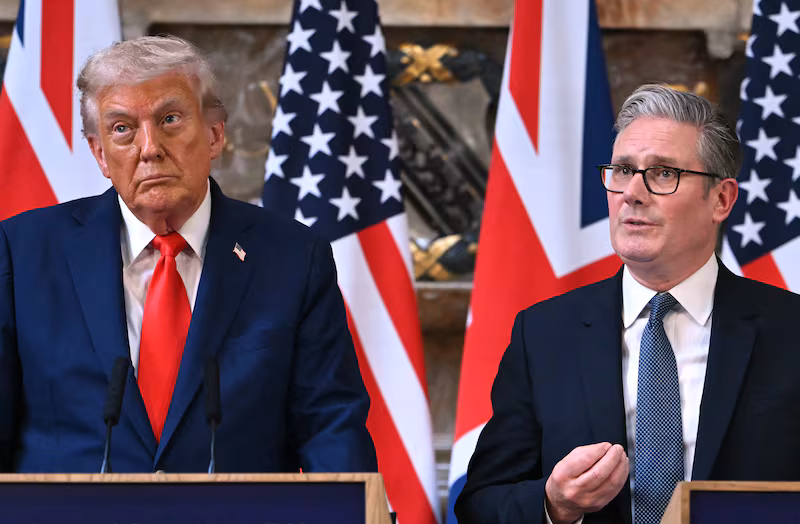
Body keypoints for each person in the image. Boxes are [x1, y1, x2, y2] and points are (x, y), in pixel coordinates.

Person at [0, 35, 377, 474]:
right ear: (100, 154)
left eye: (170, 119)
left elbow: (330, 428)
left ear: (215, 134)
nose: (149, 148)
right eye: (122, 128)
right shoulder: (23, 250)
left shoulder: (293, 256)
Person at [455, 84, 800, 524]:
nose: (632, 193)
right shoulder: (544, 334)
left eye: (662, 174)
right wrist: (554, 503)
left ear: (721, 199)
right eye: (622, 170)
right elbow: (480, 505)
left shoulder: (791, 332)